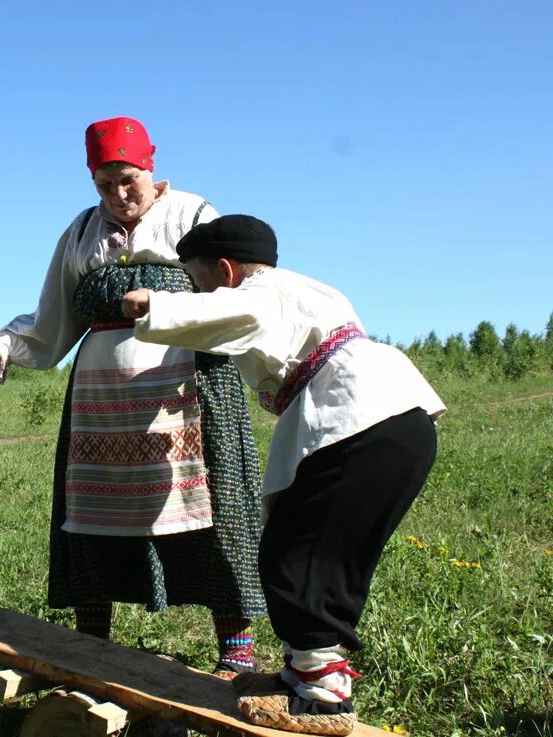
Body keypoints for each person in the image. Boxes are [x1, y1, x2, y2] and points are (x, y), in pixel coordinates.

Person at [123, 214, 446, 736]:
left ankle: (321, 694)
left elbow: (233, 308)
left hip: (358, 420)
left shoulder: (262, 291)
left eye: (197, 279)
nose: (197, 291)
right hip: (396, 417)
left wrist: (152, 302)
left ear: (226, 271)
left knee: (296, 556)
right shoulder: (309, 289)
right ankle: (307, 672)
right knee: (325, 555)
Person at [0, 117, 266, 678]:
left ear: (151, 170)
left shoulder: (196, 216)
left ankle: (237, 652)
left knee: (214, 511)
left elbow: (239, 295)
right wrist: (0, 347)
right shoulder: (82, 232)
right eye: (104, 185)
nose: (118, 195)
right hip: (101, 404)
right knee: (94, 514)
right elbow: (52, 321)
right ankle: (91, 648)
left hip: (189, 390)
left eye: (127, 180)